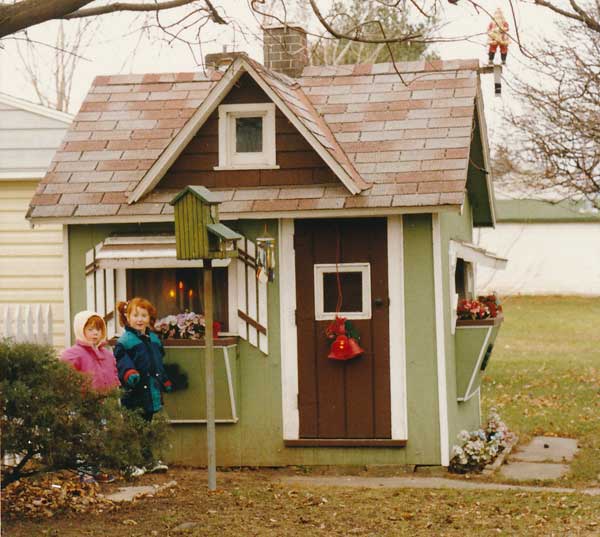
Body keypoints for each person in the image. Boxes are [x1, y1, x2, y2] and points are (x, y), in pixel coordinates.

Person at [114, 297, 172, 476]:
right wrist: (130, 373)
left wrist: (164, 380)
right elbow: (122, 361)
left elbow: (157, 364)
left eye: (144, 315)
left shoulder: (154, 340)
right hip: (133, 391)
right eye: (135, 315)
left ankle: (147, 461)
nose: (139, 319)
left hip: (150, 390)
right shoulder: (125, 341)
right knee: (132, 428)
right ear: (127, 318)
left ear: (150, 318)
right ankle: (128, 464)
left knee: (147, 427)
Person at [60, 311, 119, 482]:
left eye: (99, 329)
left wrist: (113, 394)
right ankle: (85, 472)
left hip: (103, 403)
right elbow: (66, 378)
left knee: (101, 438)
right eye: (91, 329)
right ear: (80, 330)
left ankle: (97, 470)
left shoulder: (106, 354)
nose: (95, 333)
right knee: (85, 438)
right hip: (83, 404)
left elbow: (113, 375)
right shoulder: (73, 354)